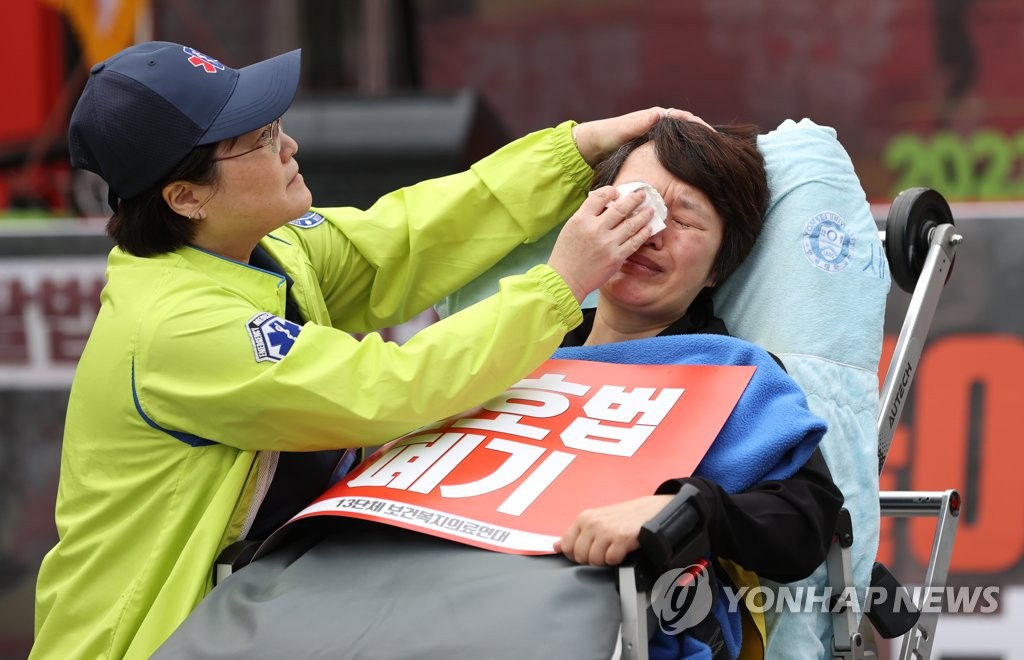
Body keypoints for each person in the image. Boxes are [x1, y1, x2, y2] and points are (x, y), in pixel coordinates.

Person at [31, 40, 674, 660]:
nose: (289, 146)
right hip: (151, 640)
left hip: (250, 616)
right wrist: (559, 283)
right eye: (257, 140)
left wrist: (572, 153)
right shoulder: (176, 325)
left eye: (275, 123)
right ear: (186, 197)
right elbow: (391, 389)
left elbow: (400, 239)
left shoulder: (261, 246)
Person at [551, 117, 845, 657]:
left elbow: (807, 520)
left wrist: (684, 508)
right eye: (633, 201)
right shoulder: (513, 350)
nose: (650, 230)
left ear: (716, 269)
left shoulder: (730, 372)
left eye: (683, 220)